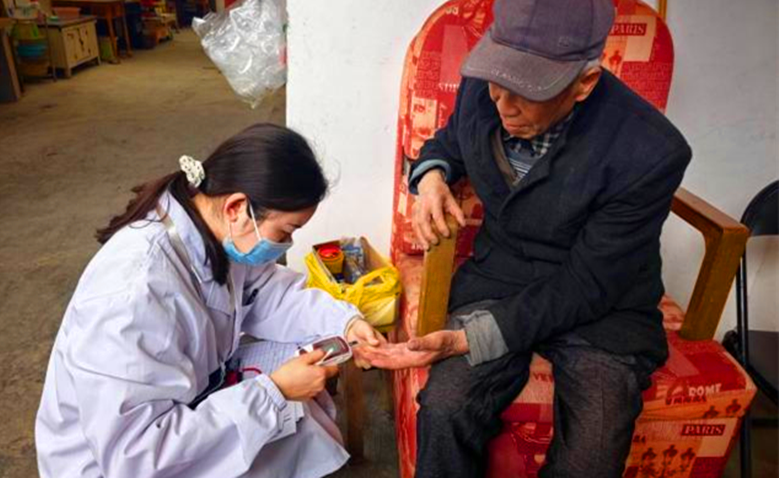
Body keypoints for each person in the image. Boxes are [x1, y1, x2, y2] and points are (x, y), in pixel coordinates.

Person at [363, 0, 692, 476]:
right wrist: (431, 178)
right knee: (446, 407)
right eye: (497, 80)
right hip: (501, 278)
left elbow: (588, 285)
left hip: (601, 305)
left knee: (592, 454)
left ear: (584, 82)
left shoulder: (651, 150)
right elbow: (449, 142)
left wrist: (473, 338)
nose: (502, 103)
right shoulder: (485, 87)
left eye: (526, 89)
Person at [35, 123, 385, 478]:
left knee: (301, 416)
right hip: (122, 461)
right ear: (237, 207)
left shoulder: (212, 231)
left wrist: (345, 324)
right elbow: (136, 457)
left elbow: (269, 293)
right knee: (291, 421)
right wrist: (274, 392)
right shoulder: (134, 293)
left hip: (182, 401)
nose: (285, 246)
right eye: (284, 232)